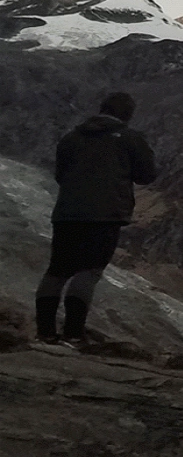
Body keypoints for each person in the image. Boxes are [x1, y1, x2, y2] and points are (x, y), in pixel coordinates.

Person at [35, 92, 156, 346]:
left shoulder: (71, 138)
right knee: (88, 271)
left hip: (67, 213)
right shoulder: (130, 139)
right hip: (105, 215)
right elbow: (147, 175)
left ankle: (45, 332)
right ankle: (73, 334)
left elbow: (60, 175)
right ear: (127, 115)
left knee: (57, 270)